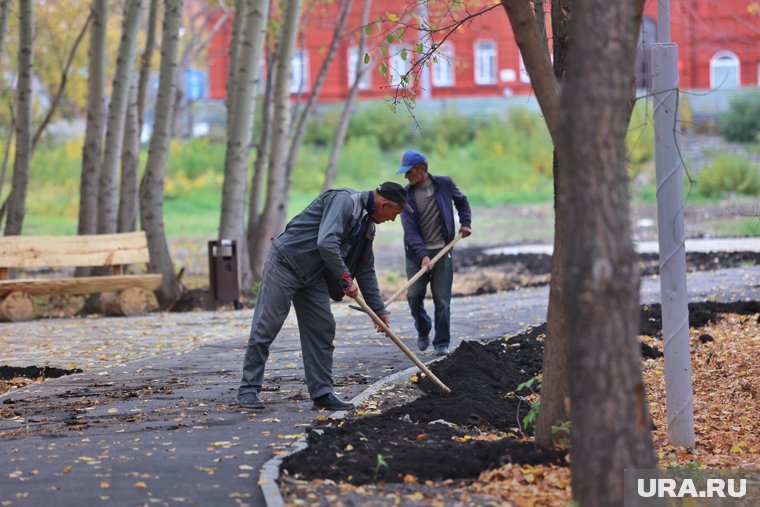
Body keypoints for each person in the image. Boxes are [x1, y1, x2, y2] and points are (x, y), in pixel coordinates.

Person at [237, 182, 412, 411]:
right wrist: (345, 280)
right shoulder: (345, 201)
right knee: (267, 325)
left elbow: (366, 268)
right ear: (385, 204)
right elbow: (326, 241)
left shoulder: (368, 226)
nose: (393, 219)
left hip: (314, 275)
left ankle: (322, 393)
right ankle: (248, 389)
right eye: (395, 213)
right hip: (286, 264)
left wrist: (378, 310)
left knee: (322, 328)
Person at [396, 150, 472, 356]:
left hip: (442, 249)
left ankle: (441, 342)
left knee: (442, 299)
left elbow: (462, 201)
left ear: (423, 169)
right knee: (413, 295)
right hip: (416, 254)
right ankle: (423, 327)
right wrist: (423, 256)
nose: (406, 177)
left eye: (410, 172)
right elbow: (410, 230)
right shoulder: (406, 195)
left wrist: (465, 223)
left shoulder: (444, 184)